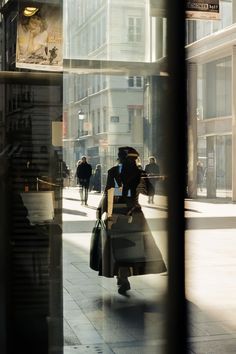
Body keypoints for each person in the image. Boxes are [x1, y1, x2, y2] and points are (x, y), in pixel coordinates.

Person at [93, 146, 167, 296]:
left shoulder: (113, 172)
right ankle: (124, 276)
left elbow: (110, 194)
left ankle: (122, 276)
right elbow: (149, 192)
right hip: (135, 215)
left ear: (120, 158)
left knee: (118, 248)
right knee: (134, 248)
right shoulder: (140, 173)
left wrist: (103, 211)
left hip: (117, 215)